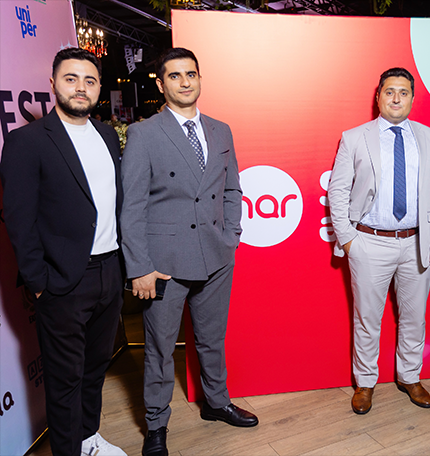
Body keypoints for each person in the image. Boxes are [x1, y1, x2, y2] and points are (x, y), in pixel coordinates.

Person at [120, 48, 258, 456]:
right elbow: (132, 207)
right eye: (175, 75)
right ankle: (156, 424)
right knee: (160, 349)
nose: (185, 82)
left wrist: (231, 236)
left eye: (191, 74)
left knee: (212, 339)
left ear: (199, 79)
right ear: (160, 84)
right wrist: (140, 267)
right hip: (164, 264)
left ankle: (216, 402)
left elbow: (232, 189)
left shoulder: (221, 130)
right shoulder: (144, 133)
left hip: (216, 256)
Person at [0, 48, 126, 456]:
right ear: (53, 83)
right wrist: (40, 282)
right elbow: (19, 219)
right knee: (65, 379)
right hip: (64, 281)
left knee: (94, 369)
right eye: (71, 79)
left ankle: (88, 439)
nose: (81, 88)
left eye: (89, 81)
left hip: (110, 272)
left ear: (99, 87)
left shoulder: (107, 135)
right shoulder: (27, 142)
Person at [328, 67, 430, 415]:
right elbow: (337, 190)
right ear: (378, 96)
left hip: (416, 242)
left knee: (415, 317)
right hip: (369, 242)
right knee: (368, 318)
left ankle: (410, 377)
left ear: (412, 98)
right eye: (390, 91)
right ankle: (365, 382)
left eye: (404, 92)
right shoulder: (355, 137)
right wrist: (349, 240)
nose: (397, 98)